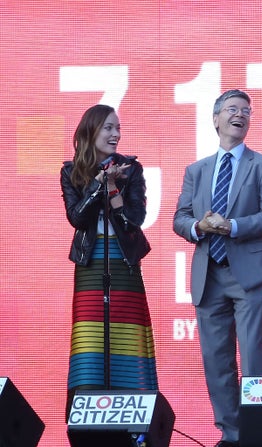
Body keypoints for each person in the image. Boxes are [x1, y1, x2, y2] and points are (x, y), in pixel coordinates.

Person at [173, 89, 262, 447]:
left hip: (249, 275)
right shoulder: (197, 170)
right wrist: (199, 228)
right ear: (216, 118)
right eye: (233, 109)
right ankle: (231, 433)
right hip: (209, 274)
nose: (241, 115)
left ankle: (261, 430)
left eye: (247, 111)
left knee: (253, 355)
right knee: (216, 359)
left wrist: (231, 226)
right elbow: (180, 218)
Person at [60, 104, 158, 420]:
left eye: (118, 128)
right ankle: (88, 411)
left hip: (123, 261)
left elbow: (133, 220)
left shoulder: (131, 169)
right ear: (91, 131)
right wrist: (98, 183)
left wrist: (114, 186)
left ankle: (133, 413)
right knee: (90, 337)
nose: (115, 134)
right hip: (90, 265)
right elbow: (77, 218)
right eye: (108, 128)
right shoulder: (70, 171)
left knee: (127, 336)